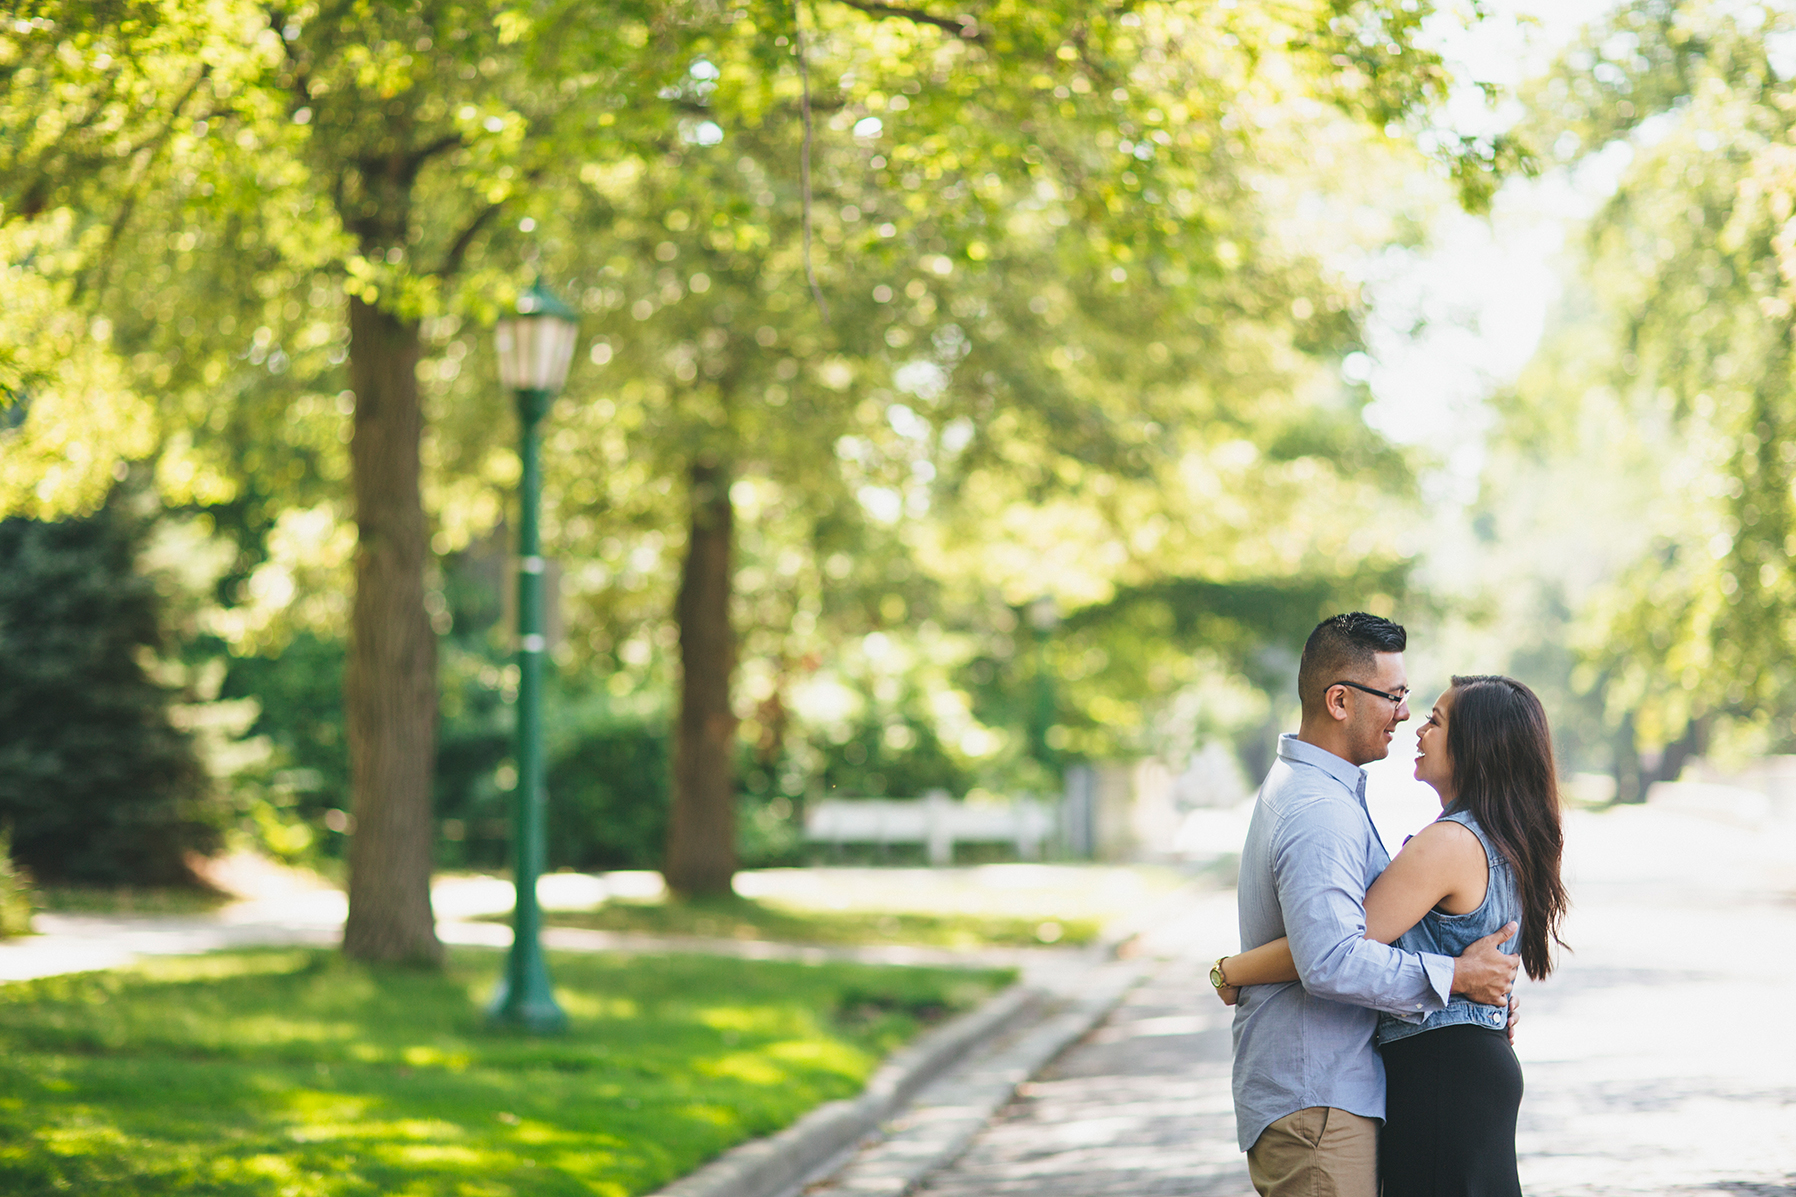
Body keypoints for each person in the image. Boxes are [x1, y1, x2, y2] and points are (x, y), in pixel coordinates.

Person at [1216, 673, 1568, 1196]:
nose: (1417, 728)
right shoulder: (1500, 838)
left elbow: (1333, 946)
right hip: (1471, 1068)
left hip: (1441, 1076)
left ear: (1478, 746)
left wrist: (1233, 970)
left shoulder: (1447, 844)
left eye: (1436, 720)